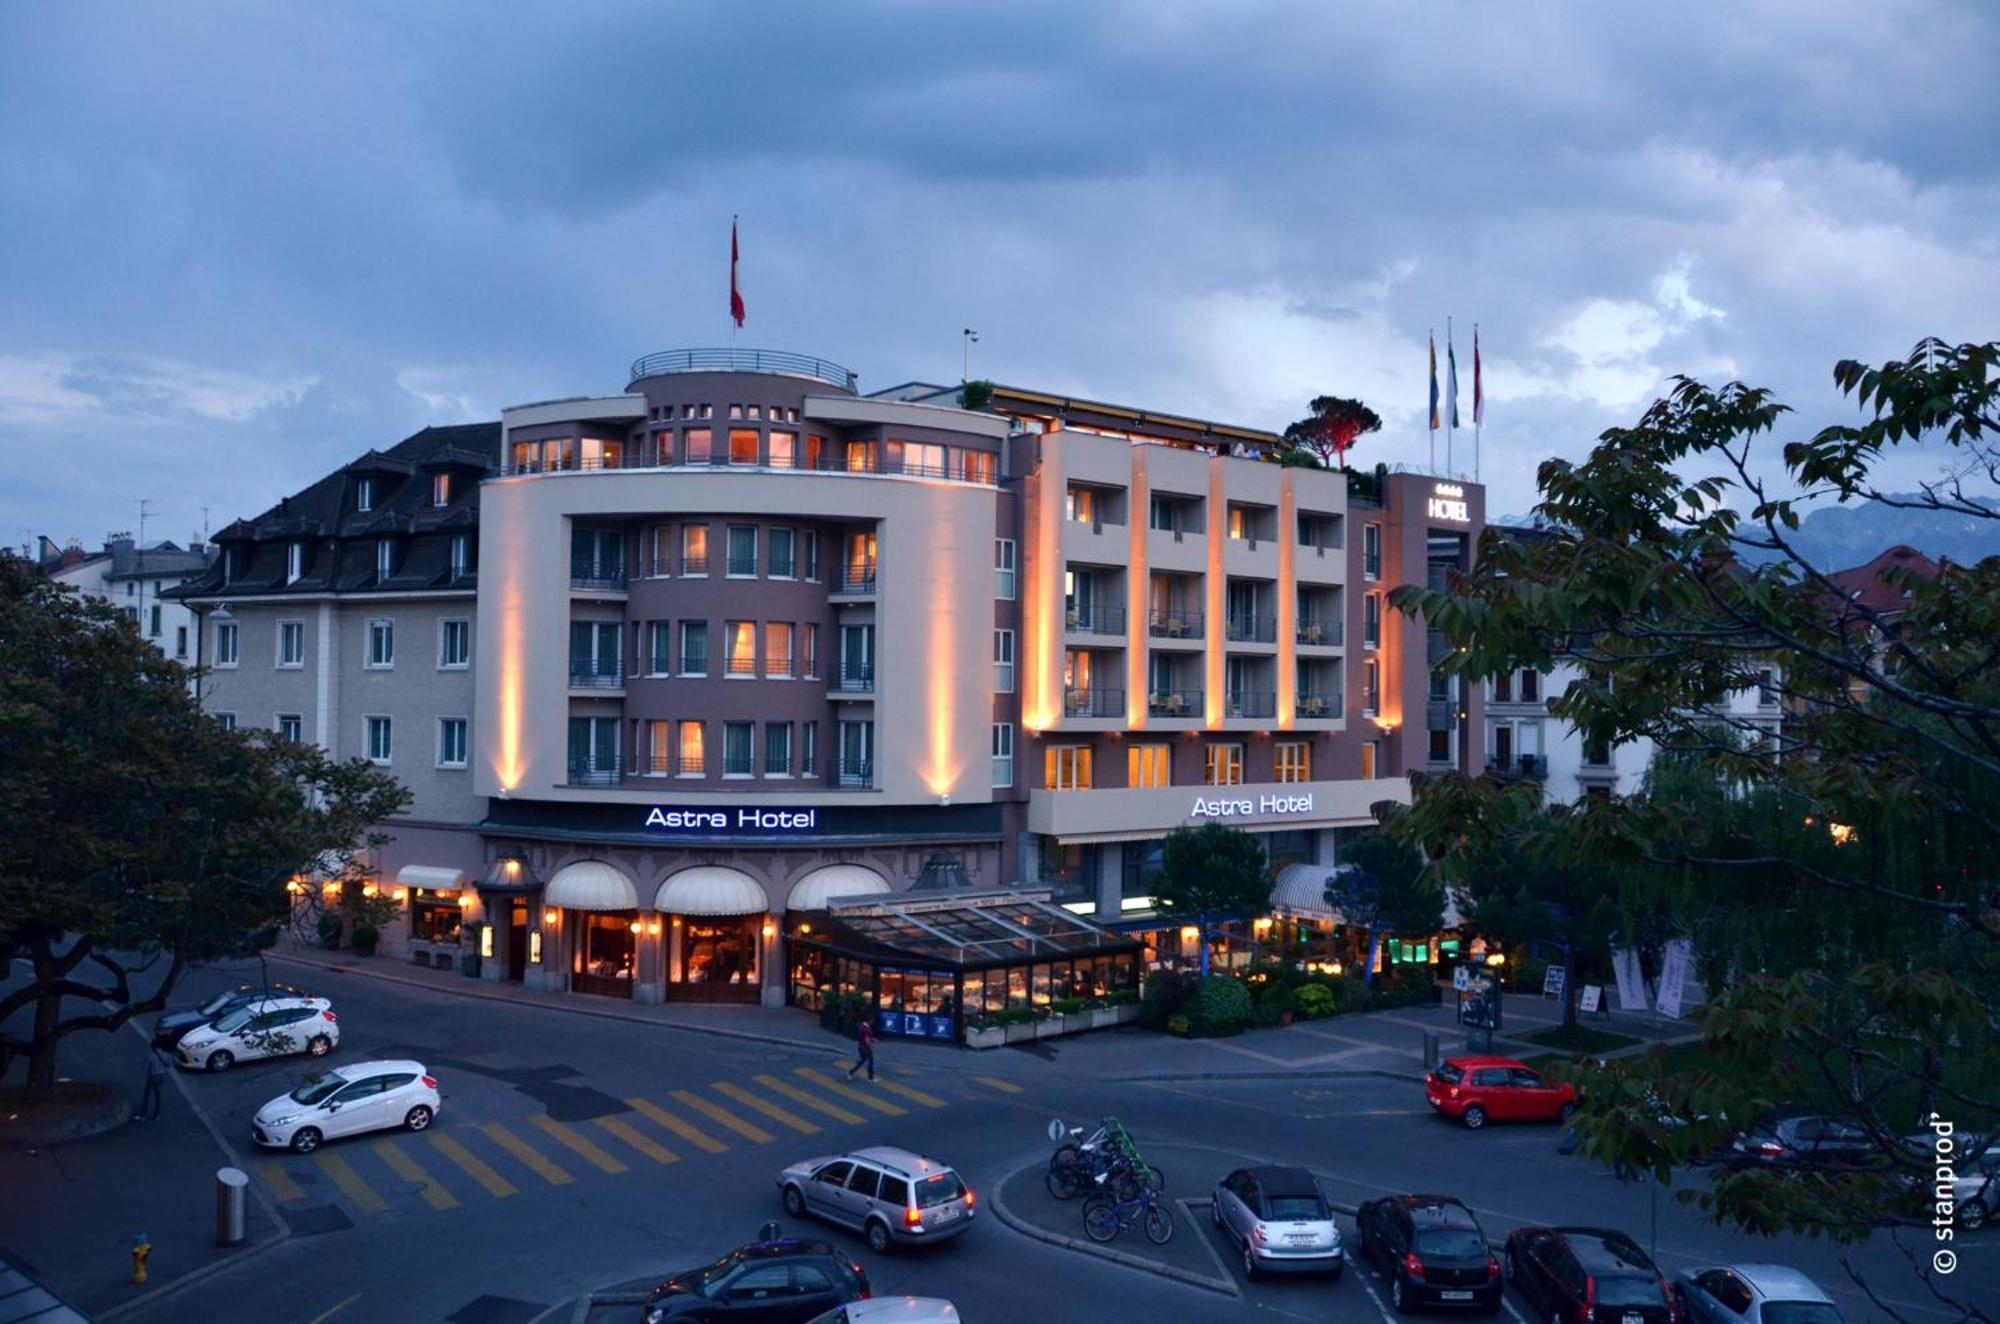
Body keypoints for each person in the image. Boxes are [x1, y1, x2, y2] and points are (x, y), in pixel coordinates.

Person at [137, 1044, 170, 1121]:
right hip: (161, 1076)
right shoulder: (166, 1055)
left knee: (147, 1095)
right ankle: (157, 1115)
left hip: (152, 1077)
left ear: (153, 1048)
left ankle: (143, 1115)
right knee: (158, 1096)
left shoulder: (150, 1056)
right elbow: (169, 1065)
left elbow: (145, 1068)